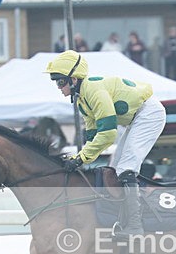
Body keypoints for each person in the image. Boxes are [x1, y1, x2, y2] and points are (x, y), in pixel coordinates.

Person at [45, 50, 167, 238]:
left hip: (149, 114)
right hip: (135, 119)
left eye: (61, 82)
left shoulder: (93, 92)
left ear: (74, 80)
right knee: (115, 170)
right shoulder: (82, 100)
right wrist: (79, 158)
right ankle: (122, 219)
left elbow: (108, 135)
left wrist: (81, 158)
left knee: (126, 169)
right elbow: (93, 134)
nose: (59, 87)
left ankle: (135, 226)